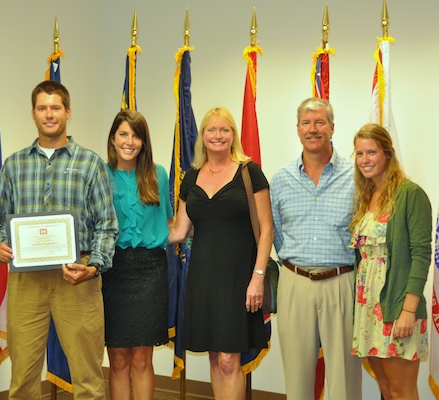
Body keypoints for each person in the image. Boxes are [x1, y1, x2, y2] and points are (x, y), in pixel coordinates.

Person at [0, 80, 118, 400]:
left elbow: (106, 224)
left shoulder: (90, 163)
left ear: (67, 112)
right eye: (43, 108)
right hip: (26, 281)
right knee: (23, 377)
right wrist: (0, 245)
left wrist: (95, 265)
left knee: (87, 375)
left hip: (78, 275)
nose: (49, 114)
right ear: (33, 113)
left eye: (55, 108)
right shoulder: (14, 165)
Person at [169, 106, 273, 399]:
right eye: (211, 130)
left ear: (233, 135)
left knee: (230, 359)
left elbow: (267, 230)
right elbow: (179, 231)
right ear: (202, 135)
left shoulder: (249, 172)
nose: (217, 135)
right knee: (215, 357)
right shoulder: (190, 178)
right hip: (203, 280)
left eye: (224, 129)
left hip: (240, 279)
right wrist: (134, 231)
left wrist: (258, 278)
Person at [270, 97, 362, 400]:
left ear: (332, 128)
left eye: (320, 122)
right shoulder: (281, 178)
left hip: (341, 281)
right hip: (295, 282)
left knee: (344, 380)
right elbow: (277, 234)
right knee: (297, 379)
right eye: (306, 123)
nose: (313, 129)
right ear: (297, 130)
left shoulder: (356, 176)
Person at [350, 123, 431, 400]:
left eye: (371, 152)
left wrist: (408, 310)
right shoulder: (366, 197)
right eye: (359, 154)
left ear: (387, 153)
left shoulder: (411, 194)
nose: (365, 160)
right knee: (386, 388)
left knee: (401, 390)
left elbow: (421, 254)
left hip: (397, 306)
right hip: (369, 307)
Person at [103, 109, 172, 400]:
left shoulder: (158, 174)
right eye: (123, 134)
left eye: (136, 135)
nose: (129, 141)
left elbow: (169, 223)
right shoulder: (100, 174)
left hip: (150, 272)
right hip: (112, 271)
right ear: (113, 138)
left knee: (143, 358)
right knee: (117, 358)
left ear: (143, 141)